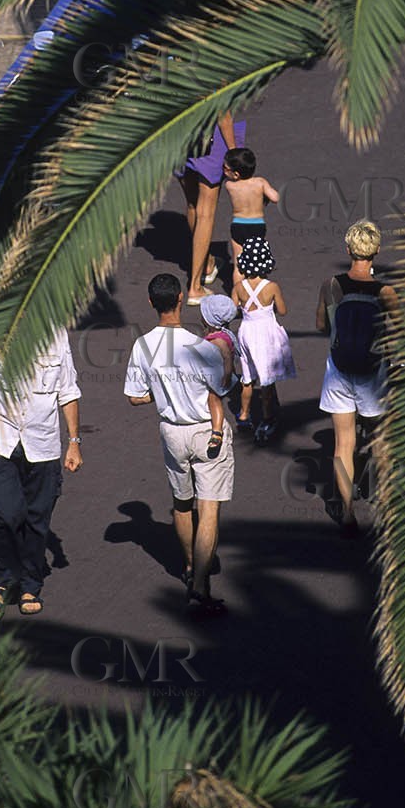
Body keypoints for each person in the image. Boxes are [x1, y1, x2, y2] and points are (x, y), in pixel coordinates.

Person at [125, 273, 234, 616]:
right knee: (210, 509)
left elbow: (134, 396)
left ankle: (189, 566)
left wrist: (159, 394)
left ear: (150, 303)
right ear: (181, 298)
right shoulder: (202, 347)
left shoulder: (141, 346)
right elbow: (220, 390)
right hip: (205, 430)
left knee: (182, 503)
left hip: (171, 432)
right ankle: (200, 584)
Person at [0, 326, 83, 618]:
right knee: (4, 512)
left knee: (37, 517)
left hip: (43, 442)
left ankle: (30, 584)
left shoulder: (57, 334)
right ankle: (2, 581)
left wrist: (74, 442)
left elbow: (68, 391)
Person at [316, 220, 400, 537]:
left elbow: (321, 324)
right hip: (372, 371)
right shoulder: (385, 291)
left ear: (348, 249)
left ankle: (347, 512)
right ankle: (388, 505)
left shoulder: (331, 285)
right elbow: (401, 330)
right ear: (377, 250)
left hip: (338, 370)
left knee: (343, 444)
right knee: (380, 440)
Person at [177, 113, 245, 305]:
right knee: (205, 212)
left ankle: (207, 265)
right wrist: (234, 153)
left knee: (192, 205)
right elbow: (223, 114)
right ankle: (195, 288)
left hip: (178, 141)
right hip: (208, 143)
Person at [232, 236, 293, 444]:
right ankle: (267, 418)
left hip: (246, 332)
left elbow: (233, 310)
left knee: (247, 377)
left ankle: (243, 415)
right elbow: (283, 311)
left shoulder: (239, 287)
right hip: (265, 333)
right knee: (266, 379)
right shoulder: (271, 287)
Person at [223, 147, 280, 276]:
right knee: (257, 258)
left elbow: (228, 179)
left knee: (238, 263)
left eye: (225, 168)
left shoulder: (229, 185)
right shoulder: (260, 182)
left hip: (238, 225)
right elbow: (275, 198)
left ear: (236, 174)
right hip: (257, 226)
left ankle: (236, 294)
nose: (223, 170)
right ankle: (256, 290)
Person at [199, 292, 241, 458]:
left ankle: (217, 431)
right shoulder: (222, 334)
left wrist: (227, 375)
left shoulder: (218, 340)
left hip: (221, 376)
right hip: (220, 373)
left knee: (213, 398)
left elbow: (227, 357)